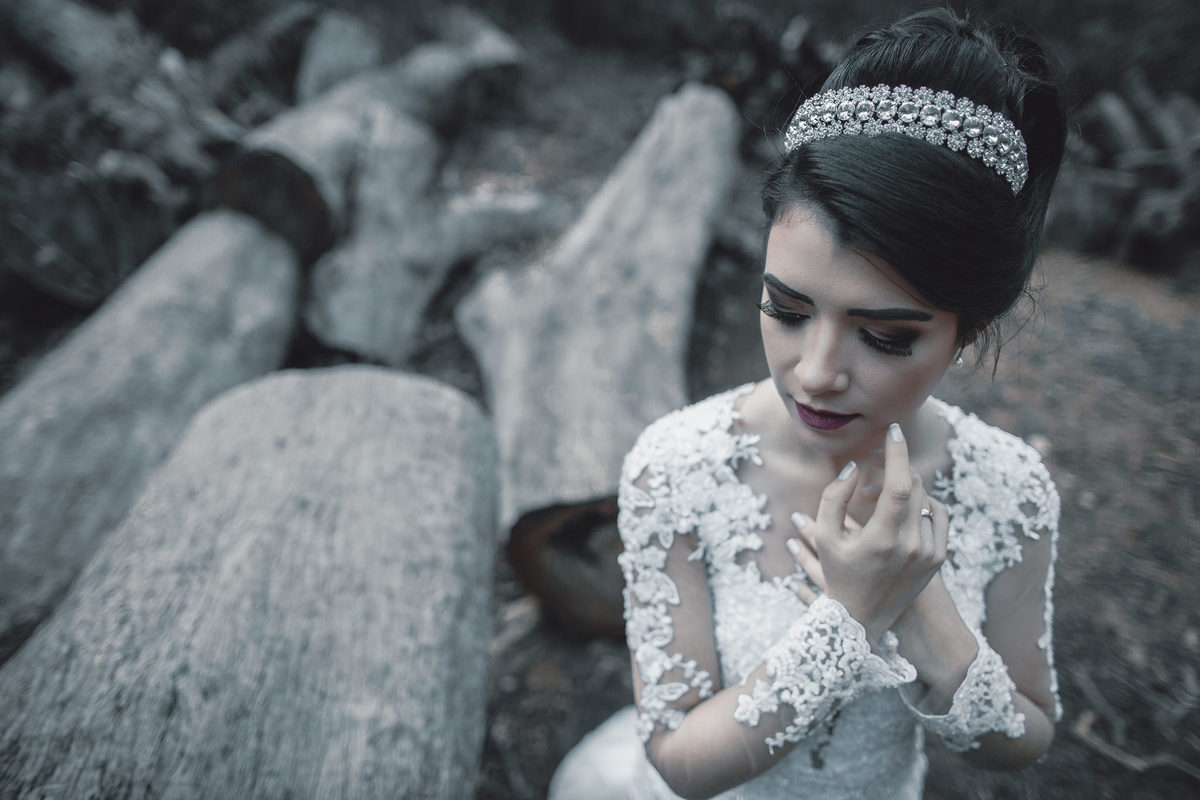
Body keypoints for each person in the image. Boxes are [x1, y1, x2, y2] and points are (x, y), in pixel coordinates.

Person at [549, 7, 1068, 800]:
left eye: (886, 337)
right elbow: (680, 761)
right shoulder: (678, 467)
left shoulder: (1012, 492)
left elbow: (1027, 734)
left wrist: (930, 623)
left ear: (969, 332)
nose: (817, 373)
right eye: (787, 310)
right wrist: (849, 619)